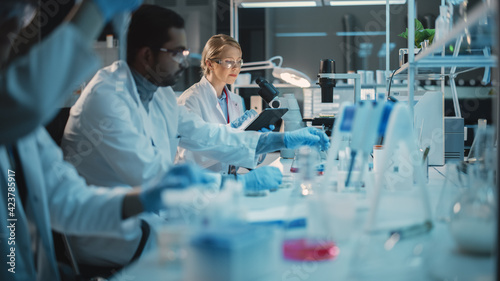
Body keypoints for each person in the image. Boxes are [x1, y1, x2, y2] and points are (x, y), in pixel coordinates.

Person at [61, 4, 330, 268]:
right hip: (111, 231)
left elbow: (208, 135)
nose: (185, 61)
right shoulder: (107, 98)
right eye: (177, 53)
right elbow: (153, 178)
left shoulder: (160, 92)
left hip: (156, 213)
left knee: (242, 234)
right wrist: (235, 185)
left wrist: (277, 140)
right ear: (146, 55)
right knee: (219, 254)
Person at [0, 1, 216, 280]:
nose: (12, 38)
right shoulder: (103, 95)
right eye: (7, 29)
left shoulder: (27, 133)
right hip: (100, 241)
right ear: (147, 55)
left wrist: (141, 200)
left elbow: (69, 199)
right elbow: (27, 102)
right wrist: (94, 10)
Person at [177, 34, 264, 174]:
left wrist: (257, 143)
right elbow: (189, 156)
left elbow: (239, 154)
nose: (235, 68)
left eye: (239, 61)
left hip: (228, 183)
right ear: (209, 63)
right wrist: (232, 136)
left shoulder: (236, 100)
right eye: (229, 62)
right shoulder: (190, 100)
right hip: (199, 185)